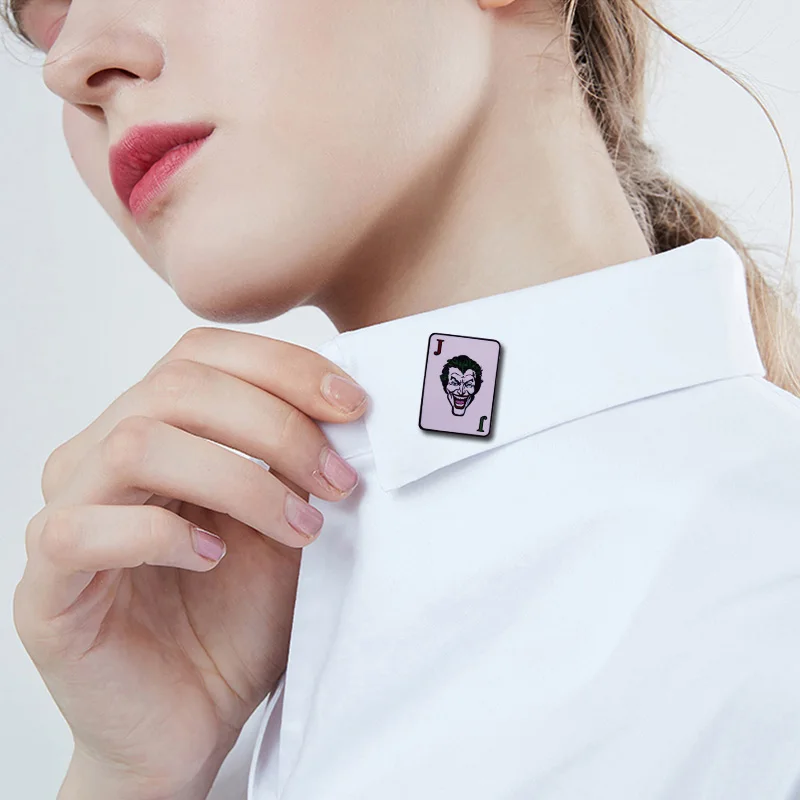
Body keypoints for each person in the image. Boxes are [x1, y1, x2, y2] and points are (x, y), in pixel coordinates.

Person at [6, 1, 800, 798]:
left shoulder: (763, 587)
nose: (69, 65)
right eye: (47, 29)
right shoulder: (210, 668)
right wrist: (131, 776)